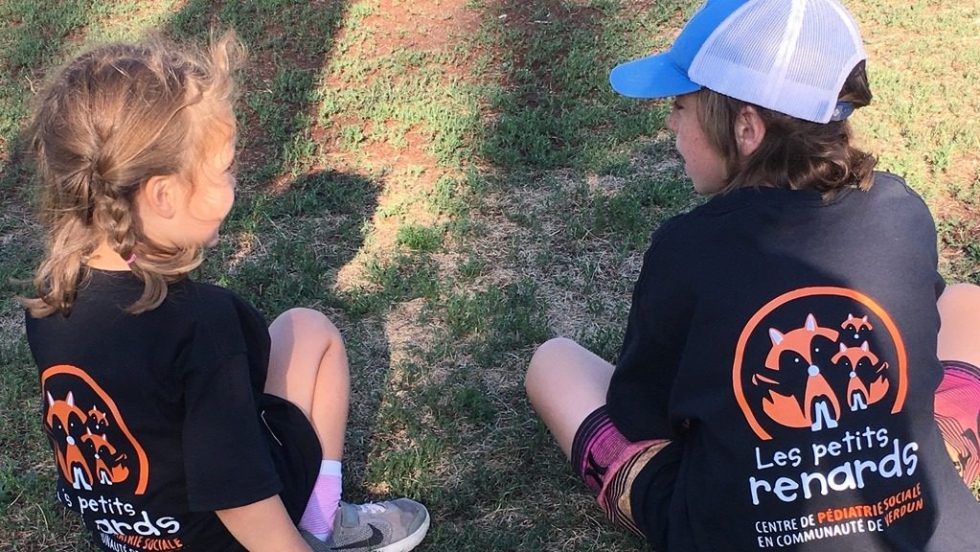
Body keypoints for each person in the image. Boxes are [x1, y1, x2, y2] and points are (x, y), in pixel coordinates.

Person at [525, 0, 980, 550]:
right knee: (967, 301)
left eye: (680, 104)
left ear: (746, 126)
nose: (670, 122)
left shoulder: (686, 246)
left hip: (730, 530)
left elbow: (644, 414)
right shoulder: (901, 208)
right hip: (931, 527)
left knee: (554, 362)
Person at [22, 32, 429, 552]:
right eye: (224, 168)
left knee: (296, 331)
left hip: (130, 536)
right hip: (224, 537)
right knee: (312, 331)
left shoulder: (53, 297)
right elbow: (238, 495)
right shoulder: (200, 322)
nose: (236, 180)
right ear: (164, 196)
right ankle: (322, 525)